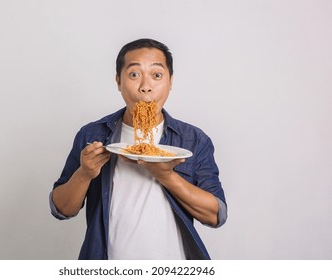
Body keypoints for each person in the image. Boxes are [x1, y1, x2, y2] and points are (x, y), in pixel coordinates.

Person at [49, 38, 227, 260]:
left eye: (157, 75)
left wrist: (166, 175)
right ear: (118, 81)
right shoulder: (92, 135)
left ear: (170, 81)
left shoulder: (194, 140)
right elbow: (62, 209)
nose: (145, 86)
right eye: (134, 74)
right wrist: (84, 174)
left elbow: (215, 215)